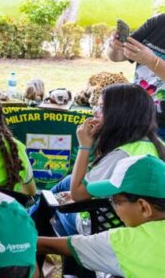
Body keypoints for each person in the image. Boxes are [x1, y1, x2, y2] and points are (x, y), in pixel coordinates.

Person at [38, 155, 165, 278]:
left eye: (115, 201)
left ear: (144, 207)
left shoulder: (127, 242)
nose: (113, 208)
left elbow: (54, 245)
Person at [50, 83, 165, 235]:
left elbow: (78, 195)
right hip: (142, 221)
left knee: (54, 207)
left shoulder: (121, 154)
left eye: (101, 107)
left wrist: (84, 146)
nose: (95, 112)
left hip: (106, 224)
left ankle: (35, 232)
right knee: (65, 183)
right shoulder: (157, 144)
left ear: (120, 114)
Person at [106, 14, 165, 138]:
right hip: (139, 115)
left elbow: (150, 60)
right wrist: (114, 46)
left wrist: (152, 61)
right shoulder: (158, 22)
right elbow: (118, 56)